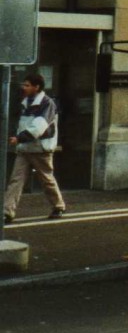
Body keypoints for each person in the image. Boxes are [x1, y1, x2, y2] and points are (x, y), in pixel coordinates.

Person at [4, 73, 67, 223]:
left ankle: (58, 206)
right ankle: (7, 212)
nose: (23, 87)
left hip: (40, 148)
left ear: (36, 87)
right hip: (25, 148)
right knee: (16, 180)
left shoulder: (47, 103)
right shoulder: (26, 102)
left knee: (46, 179)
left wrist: (19, 138)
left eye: (27, 85)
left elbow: (39, 126)